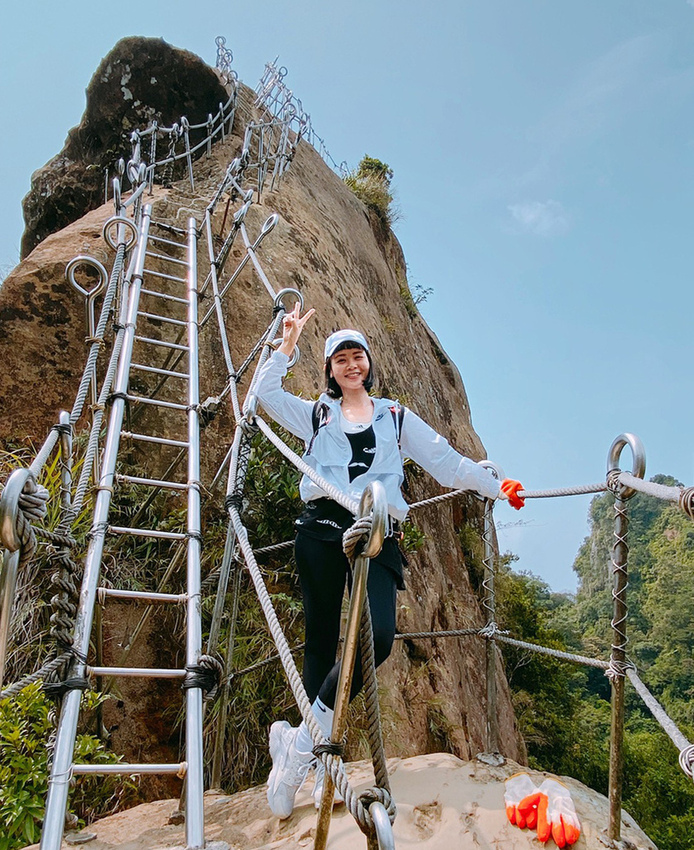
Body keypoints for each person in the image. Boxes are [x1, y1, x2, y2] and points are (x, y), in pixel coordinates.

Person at [254, 304, 525, 818]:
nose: (351, 365)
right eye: (340, 359)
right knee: (318, 639)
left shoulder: (395, 416)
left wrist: (496, 484)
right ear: (330, 370)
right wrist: (286, 345)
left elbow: (445, 461)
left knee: (375, 638)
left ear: (369, 364)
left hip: (377, 534)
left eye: (358, 356)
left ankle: (300, 746)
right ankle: (317, 761)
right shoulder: (315, 414)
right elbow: (264, 396)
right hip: (320, 530)